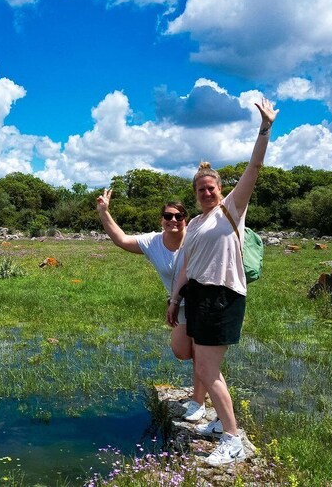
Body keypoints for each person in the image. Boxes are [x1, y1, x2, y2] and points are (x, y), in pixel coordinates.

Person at [167, 97, 278, 466]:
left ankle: (232, 436)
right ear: (195, 194)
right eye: (201, 190)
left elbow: (255, 166)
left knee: (207, 369)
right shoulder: (195, 224)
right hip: (196, 297)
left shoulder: (232, 208)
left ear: (220, 189)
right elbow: (185, 265)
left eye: (211, 188)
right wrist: (174, 299)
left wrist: (264, 128)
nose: (207, 193)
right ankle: (218, 425)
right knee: (193, 357)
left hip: (223, 296)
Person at [96, 189, 208, 419]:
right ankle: (201, 394)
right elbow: (122, 240)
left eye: (179, 216)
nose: (173, 220)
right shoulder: (153, 241)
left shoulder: (196, 237)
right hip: (180, 306)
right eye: (168, 216)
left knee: (201, 352)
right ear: (162, 220)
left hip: (204, 302)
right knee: (181, 351)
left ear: (186, 219)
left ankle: (199, 401)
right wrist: (104, 212)